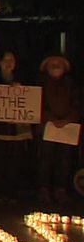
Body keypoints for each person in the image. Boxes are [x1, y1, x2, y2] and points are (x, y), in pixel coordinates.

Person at [0, 52, 33, 201]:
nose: (9, 63)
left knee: (14, 162)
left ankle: (11, 192)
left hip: (16, 130)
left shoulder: (23, 79)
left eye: (12, 60)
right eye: (6, 60)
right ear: (0, 62)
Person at [37, 55, 79, 205]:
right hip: (48, 127)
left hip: (68, 128)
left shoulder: (72, 85)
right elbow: (36, 103)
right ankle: (44, 189)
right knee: (45, 159)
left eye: (58, 64)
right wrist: (50, 119)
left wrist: (67, 120)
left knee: (65, 160)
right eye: (52, 64)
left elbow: (78, 104)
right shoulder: (40, 84)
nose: (55, 66)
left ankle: (61, 189)